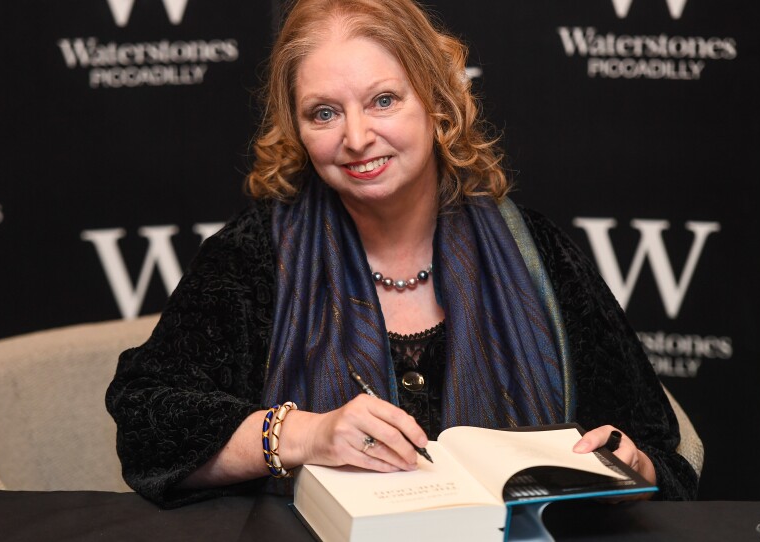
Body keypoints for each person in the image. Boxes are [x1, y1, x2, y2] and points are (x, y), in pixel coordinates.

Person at [106, 0, 699, 509]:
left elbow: (655, 447)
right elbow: (147, 425)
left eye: (383, 100)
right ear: (297, 127)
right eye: (324, 113)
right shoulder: (254, 256)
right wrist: (305, 435)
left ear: (439, 104)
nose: (357, 137)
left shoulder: (536, 254)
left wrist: (635, 468)